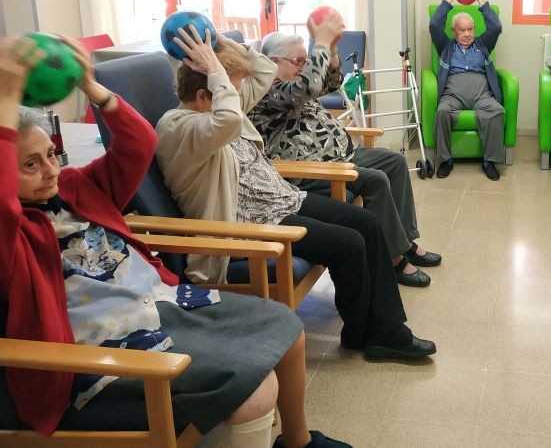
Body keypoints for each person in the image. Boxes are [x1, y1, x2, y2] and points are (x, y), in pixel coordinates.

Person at [0, 36, 348, 448]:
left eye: (51, 155)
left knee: (286, 326)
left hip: (160, 301)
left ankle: (297, 441)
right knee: (256, 391)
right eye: (30, 164)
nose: (50, 170)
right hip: (101, 339)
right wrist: (6, 96)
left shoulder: (76, 187)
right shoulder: (12, 230)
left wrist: (92, 88)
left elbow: (138, 143)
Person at [154, 26, 435, 361]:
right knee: (349, 243)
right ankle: (374, 334)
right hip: (249, 225)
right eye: (230, 90)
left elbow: (264, 71)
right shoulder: (179, 128)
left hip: (284, 199)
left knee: (368, 224)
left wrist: (224, 44)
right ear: (204, 95)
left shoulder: (212, 110)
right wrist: (216, 70)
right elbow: (228, 120)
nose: (238, 99)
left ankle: (382, 331)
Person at [250, 31, 442, 289]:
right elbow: (308, 87)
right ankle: (393, 259)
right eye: (298, 61)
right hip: (313, 169)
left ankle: (404, 242)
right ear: (272, 62)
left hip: (344, 154)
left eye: (306, 61)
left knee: (395, 162)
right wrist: (319, 45)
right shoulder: (265, 92)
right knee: (376, 180)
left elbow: (331, 82)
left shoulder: (294, 80)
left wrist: (331, 51)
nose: (304, 67)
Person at [429, 0, 505, 180]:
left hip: (482, 95)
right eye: (462, 30)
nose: (467, 34)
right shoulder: (445, 46)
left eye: (470, 29)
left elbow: (496, 26)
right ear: (454, 31)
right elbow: (434, 25)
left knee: (497, 111)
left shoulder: (483, 44)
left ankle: (489, 161)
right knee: (443, 112)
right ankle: (445, 160)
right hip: (453, 95)